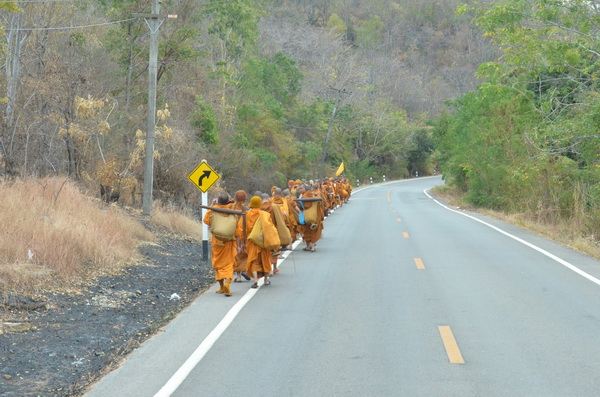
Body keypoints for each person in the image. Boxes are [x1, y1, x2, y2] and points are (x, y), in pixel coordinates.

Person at [203, 192, 240, 297]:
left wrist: (211, 206)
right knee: (228, 264)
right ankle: (227, 283)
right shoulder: (232, 210)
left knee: (217, 264)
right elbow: (237, 229)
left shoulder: (214, 210)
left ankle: (221, 286)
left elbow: (206, 220)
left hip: (217, 241)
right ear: (227, 200)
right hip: (229, 241)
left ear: (218, 201)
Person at [241, 196, 274, 288]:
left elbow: (243, 228)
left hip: (252, 240)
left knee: (254, 260)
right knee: (265, 259)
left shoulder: (247, 214)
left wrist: (243, 240)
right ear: (260, 203)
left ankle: (255, 281)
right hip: (263, 241)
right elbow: (270, 227)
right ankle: (266, 280)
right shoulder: (264, 214)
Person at [299, 184, 324, 252]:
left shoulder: (306, 195)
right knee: (308, 230)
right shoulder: (306, 195)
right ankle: (309, 246)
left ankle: (311, 246)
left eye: (301, 188)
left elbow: (305, 206)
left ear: (305, 189)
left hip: (310, 216)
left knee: (310, 230)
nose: (299, 190)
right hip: (310, 216)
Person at [232, 190, 251, 283]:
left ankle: (238, 276)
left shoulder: (231, 207)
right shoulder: (246, 209)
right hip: (244, 234)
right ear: (245, 198)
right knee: (245, 253)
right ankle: (246, 270)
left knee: (236, 254)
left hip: (233, 234)